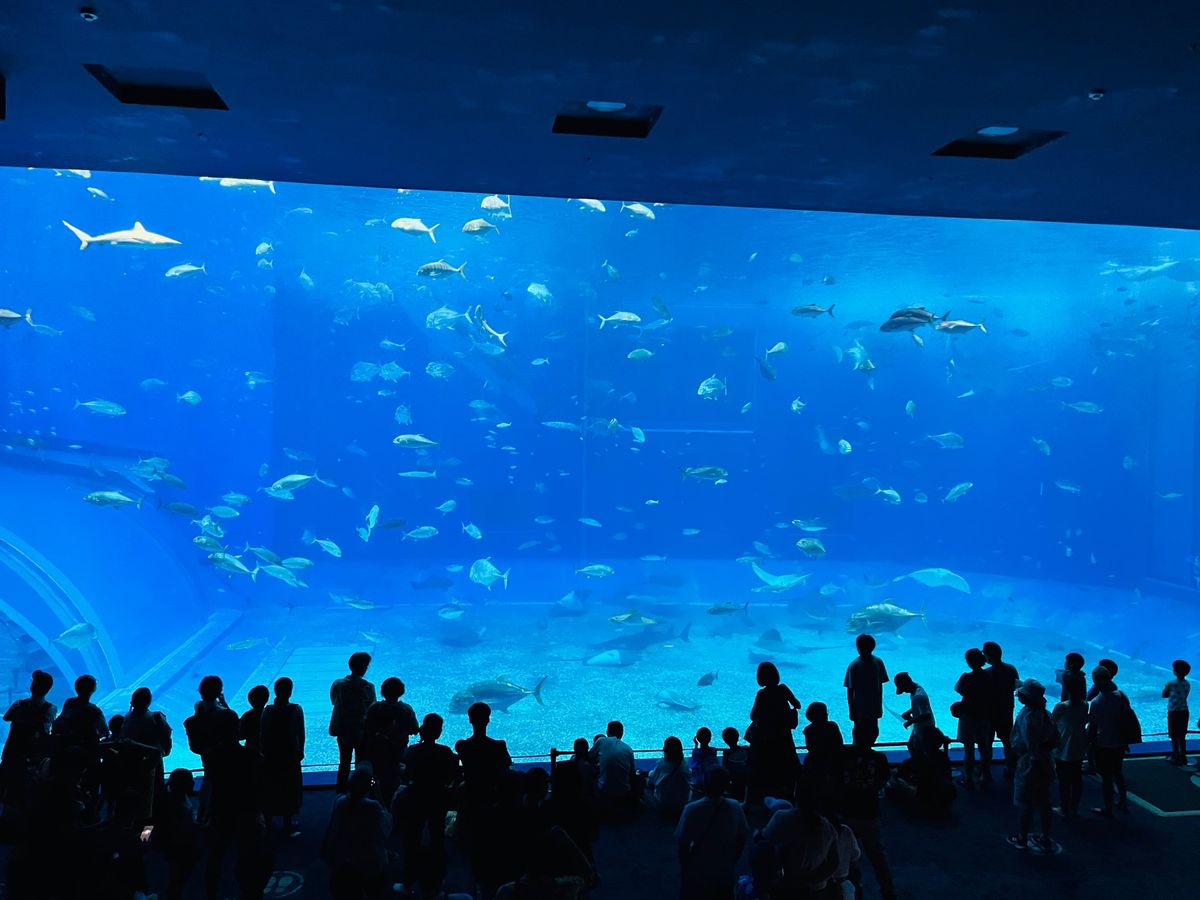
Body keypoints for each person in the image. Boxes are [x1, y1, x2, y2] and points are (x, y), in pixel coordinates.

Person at [455, 701, 514, 897]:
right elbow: (507, 767)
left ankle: (476, 882)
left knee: (472, 840)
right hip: (490, 797)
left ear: (470, 719)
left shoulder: (462, 745)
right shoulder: (498, 746)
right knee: (490, 839)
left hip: (470, 796)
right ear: (489, 719)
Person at [400, 712, 460, 896]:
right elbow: (453, 774)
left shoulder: (411, 750)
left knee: (413, 833)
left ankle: (409, 874)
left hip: (416, 795)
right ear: (439, 732)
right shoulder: (445, 752)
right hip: (437, 796)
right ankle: (438, 873)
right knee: (436, 833)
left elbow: (406, 773)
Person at [836, 733, 897, 900]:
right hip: (870, 813)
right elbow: (884, 780)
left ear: (854, 735)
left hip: (847, 813)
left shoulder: (843, 754)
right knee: (877, 855)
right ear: (875, 736)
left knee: (846, 856)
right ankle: (888, 891)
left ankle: (854, 892)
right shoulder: (879, 757)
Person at [675, 767, 748, 900]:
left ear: (705, 783)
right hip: (725, 869)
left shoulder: (691, 809)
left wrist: (685, 868)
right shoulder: (735, 806)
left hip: (699, 869)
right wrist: (734, 858)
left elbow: (682, 843)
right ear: (727, 784)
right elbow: (742, 836)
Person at [323, 766, 393, 900]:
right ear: (369, 787)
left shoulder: (339, 801)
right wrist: (378, 793)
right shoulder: (373, 807)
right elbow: (387, 829)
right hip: (368, 862)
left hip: (342, 860)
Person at [1007, 679, 1058, 853]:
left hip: (1030, 764)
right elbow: (1055, 739)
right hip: (1045, 763)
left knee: (1026, 803)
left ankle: (1022, 837)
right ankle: (1046, 837)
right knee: (1045, 803)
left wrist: (1029, 757)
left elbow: (1030, 744)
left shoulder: (1029, 717)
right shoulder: (1046, 714)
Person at [142, 768, 200, 900]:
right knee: (173, 883)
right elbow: (150, 823)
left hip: (183, 848)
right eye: (190, 781)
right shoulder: (167, 802)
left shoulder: (181, 798)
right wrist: (143, 841)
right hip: (172, 849)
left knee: (178, 883)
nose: (192, 783)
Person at [748, 662, 802, 803]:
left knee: (766, 764)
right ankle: (789, 795)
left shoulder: (761, 693)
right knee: (787, 762)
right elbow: (798, 705)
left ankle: (765, 796)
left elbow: (753, 716)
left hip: (765, 736)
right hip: (783, 734)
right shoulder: (783, 689)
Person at [1, 669, 56, 807]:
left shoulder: (19, 704)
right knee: (26, 788)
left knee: (4, 783)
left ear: (32, 687)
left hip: (12, 751)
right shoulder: (50, 708)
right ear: (48, 689)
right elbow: (46, 729)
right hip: (33, 755)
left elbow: (7, 717)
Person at [760, 800, 840, 896]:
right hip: (814, 890)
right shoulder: (827, 826)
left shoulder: (781, 817)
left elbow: (763, 848)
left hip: (784, 886)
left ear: (796, 793)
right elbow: (834, 862)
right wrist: (813, 879)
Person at [363, 676, 419, 806]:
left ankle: (376, 803)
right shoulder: (406, 709)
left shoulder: (375, 708)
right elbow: (414, 729)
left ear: (382, 691)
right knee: (397, 776)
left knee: (378, 777)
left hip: (378, 751)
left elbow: (367, 728)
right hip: (398, 751)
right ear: (401, 692)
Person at [260, 676, 305, 837]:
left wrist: (264, 752)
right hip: (290, 754)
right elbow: (301, 732)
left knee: (272, 785)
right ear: (290, 692)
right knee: (289, 786)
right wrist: (301, 750)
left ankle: (268, 820)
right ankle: (288, 821)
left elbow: (263, 734)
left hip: (272, 755)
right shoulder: (296, 709)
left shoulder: (268, 710)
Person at [329, 652, 377, 793]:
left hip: (344, 730)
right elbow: (372, 707)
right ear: (364, 668)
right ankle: (361, 790)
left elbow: (333, 701)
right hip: (362, 731)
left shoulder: (338, 684)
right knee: (361, 762)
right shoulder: (368, 687)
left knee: (344, 762)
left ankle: (341, 790)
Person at [1088, 665, 1130, 816]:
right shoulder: (1121, 696)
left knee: (1106, 778)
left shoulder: (1097, 702)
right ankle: (1123, 802)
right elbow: (1127, 719)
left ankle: (1107, 808)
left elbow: (1092, 726)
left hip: (1103, 744)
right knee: (1118, 773)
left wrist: (1089, 744)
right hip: (1119, 742)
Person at [1051, 656, 1089, 816]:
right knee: (1076, 777)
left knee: (1063, 778)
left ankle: (1064, 807)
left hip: (1063, 745)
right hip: (1079, 745)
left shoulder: (1062, 707)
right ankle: (1074, 807)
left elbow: (1053, 722)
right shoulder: (1085, 705)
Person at [953, 648, 993, 789]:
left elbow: (957, 689)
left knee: (969, 750)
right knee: (984, 747)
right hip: (985, 715)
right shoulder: (988, 676)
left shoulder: (966, 677)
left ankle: (968, 778)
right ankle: (985, 774)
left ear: (969, 662)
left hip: (969, 716)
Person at [983, 641, 1020, 780]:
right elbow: (1016, 687)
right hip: (1006, 711)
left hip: (990, 713)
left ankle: (986, 772)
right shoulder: (1011, 669)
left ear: (988, 655)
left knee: (987, 743)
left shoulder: (987, 673)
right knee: (1007, 742)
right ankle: (1011, 769)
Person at [844, 634, 888, 747]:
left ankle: (866, 752)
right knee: (860, 733)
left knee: (873, 732)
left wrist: (852, 710)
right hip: (862, 709)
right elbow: (850, 690)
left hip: (867, 707)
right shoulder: (874, 662)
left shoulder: (857, 665)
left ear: (857, 647)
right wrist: (852, 710)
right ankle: (860, 754)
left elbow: (849, 690)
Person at [802, 702, 843, 811]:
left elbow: (810, 747)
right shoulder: (832, 726)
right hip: (831, 761)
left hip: (814, 762)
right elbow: (839, 743)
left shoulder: (808, 729)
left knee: (816, 787)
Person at [53, 673, 109, 749]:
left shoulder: (69, 702)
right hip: (87, 751)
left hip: (67, 747)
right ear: (93, 689)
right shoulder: (95, 711)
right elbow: (105, 732)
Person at [591, 720, 636, 809]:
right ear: (622, 733)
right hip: (623, 791)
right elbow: (632, 774)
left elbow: (589, 756)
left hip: (603, 790)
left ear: (607, 732)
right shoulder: (629, 749)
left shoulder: (601, 740)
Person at [646, 736, 691, 820]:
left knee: (645, 787)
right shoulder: (685, 763)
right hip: (683, 802)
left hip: (664, 803)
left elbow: (652, 779)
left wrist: (649, 774)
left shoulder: (662, 764)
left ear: (665, 749)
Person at [895, 672, 937, 756]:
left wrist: (910, 722)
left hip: (925, 729)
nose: (904, 692)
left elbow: (925, 715)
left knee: (921, 751)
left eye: (904, 689)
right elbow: (919, 707)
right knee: (911, 746)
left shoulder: (918, 696)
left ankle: (919, 766)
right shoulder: (916, 689)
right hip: (919, 727)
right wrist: (909, 712)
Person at [1163, 659, 1191, 765]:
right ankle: (1183, 756)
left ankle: (1175, 755)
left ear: (1175, 671)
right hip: (1184, 711)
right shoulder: (1188, 683)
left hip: (1173, 712)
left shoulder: (1171, 683)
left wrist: (1167, 687)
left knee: (1174, 736)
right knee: (1182, 736)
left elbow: (1164, 695)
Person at [238, 684, 270, 754]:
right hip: (268, 751)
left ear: (250, 701)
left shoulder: (248, 716)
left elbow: (240, 735)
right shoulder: (270, 714)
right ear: (267, 699)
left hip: (251, 752)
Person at [721, 726, 750, 801]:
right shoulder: (746, 749)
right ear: (737, 737)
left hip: (735, 784)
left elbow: (725, 770)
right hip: (748, 782)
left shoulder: (727, 754)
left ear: (725, 741)